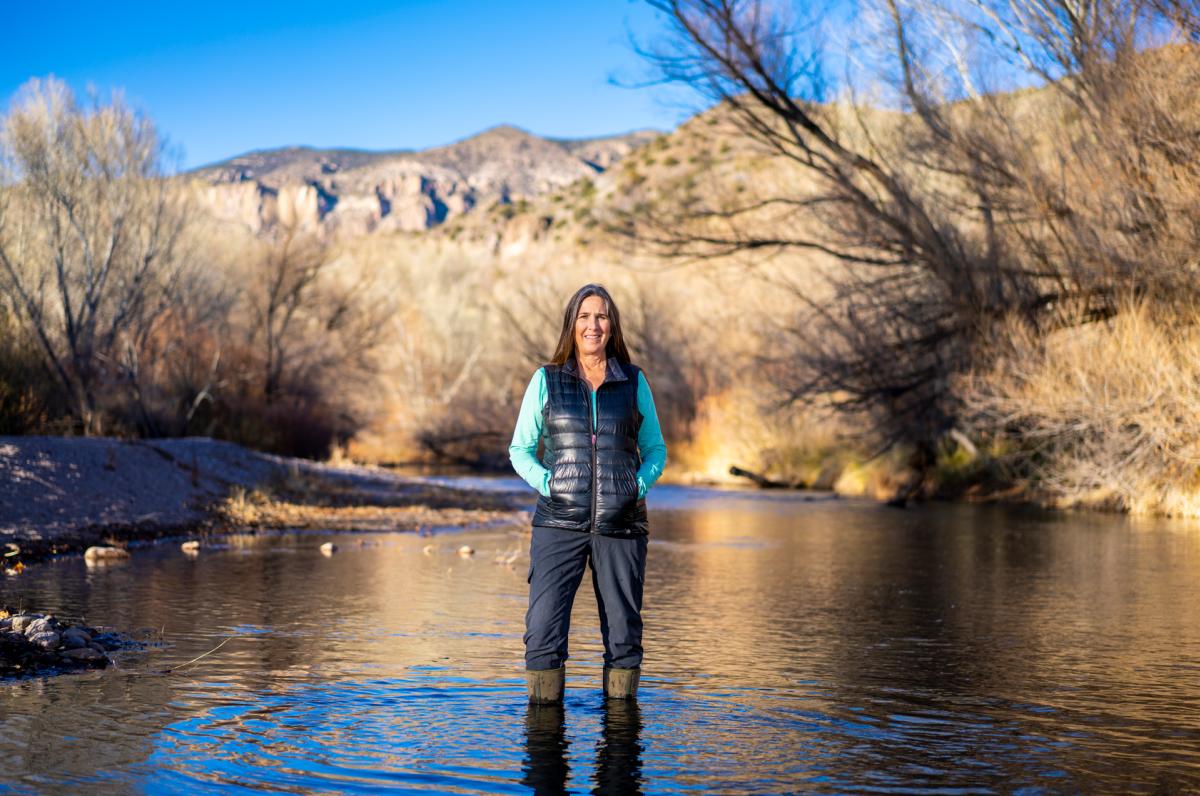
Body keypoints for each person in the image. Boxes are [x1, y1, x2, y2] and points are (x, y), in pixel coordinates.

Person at [508, 283, 667, 704]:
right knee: (542, 631)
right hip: (558, 522)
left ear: (612, 326)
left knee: (623, 635)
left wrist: (636, 487)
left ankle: (620, 741)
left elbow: (655, 448)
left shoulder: (633, 381)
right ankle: (544, 740)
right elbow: (520, 450)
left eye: (601, 316)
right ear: (571, 324)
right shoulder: (547, 380)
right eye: (584, 316)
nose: (593, 325)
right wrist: (549, 483)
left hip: (622, 526)